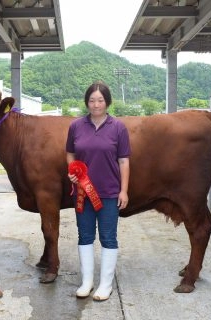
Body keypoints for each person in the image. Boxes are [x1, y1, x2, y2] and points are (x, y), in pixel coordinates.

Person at [66, 81, 131, 301]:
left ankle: (105, 284)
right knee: (84, 236)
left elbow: (124, 161)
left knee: (108, 238)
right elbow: (70, 154)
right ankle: (87, 282)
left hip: (110, 193)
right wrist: (72, 171)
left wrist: (124, 191)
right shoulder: (76, 126)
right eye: (92, 100)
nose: (96, 104)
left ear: (107, 102)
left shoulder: (118, 127)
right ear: (87, 102)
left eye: (100, 100)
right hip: (82, 193)